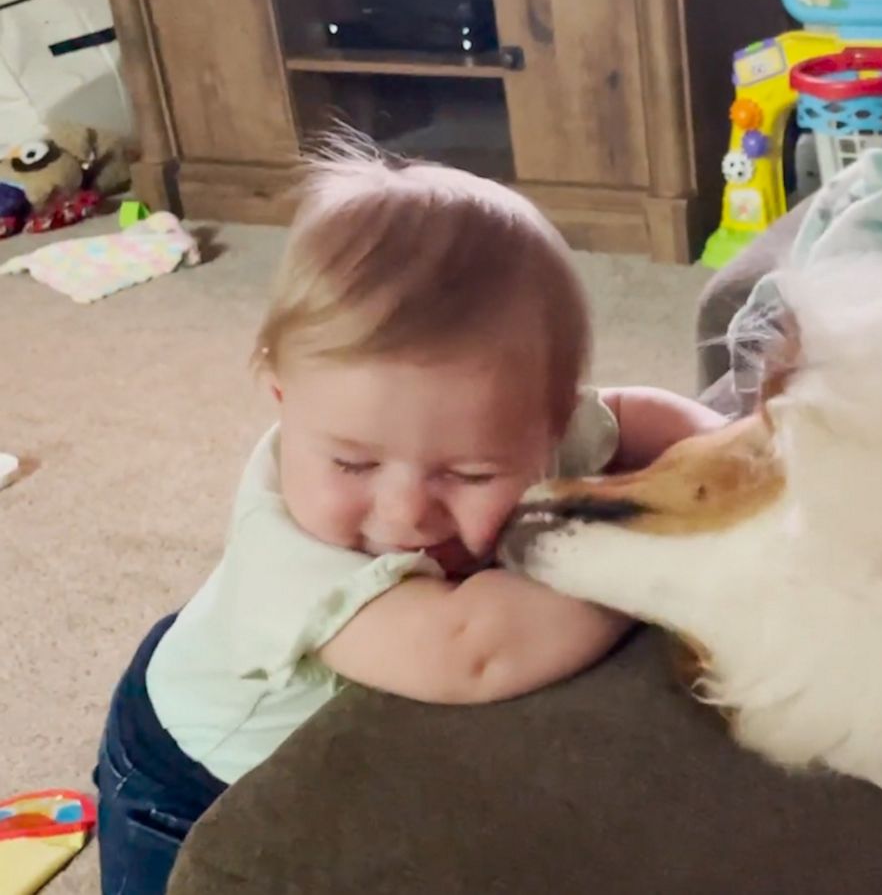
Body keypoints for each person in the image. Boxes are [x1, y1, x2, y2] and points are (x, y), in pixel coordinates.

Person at [93, 145, 725, 895]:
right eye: (353, 465)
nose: (404, 511)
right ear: (282, 395)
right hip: (184, 780)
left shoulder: (526, 419)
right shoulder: (290, 554)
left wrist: (725, 458)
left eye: (468, 474)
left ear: (549, 422)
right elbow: (471, 653)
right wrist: (660, 539)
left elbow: (632, 414)